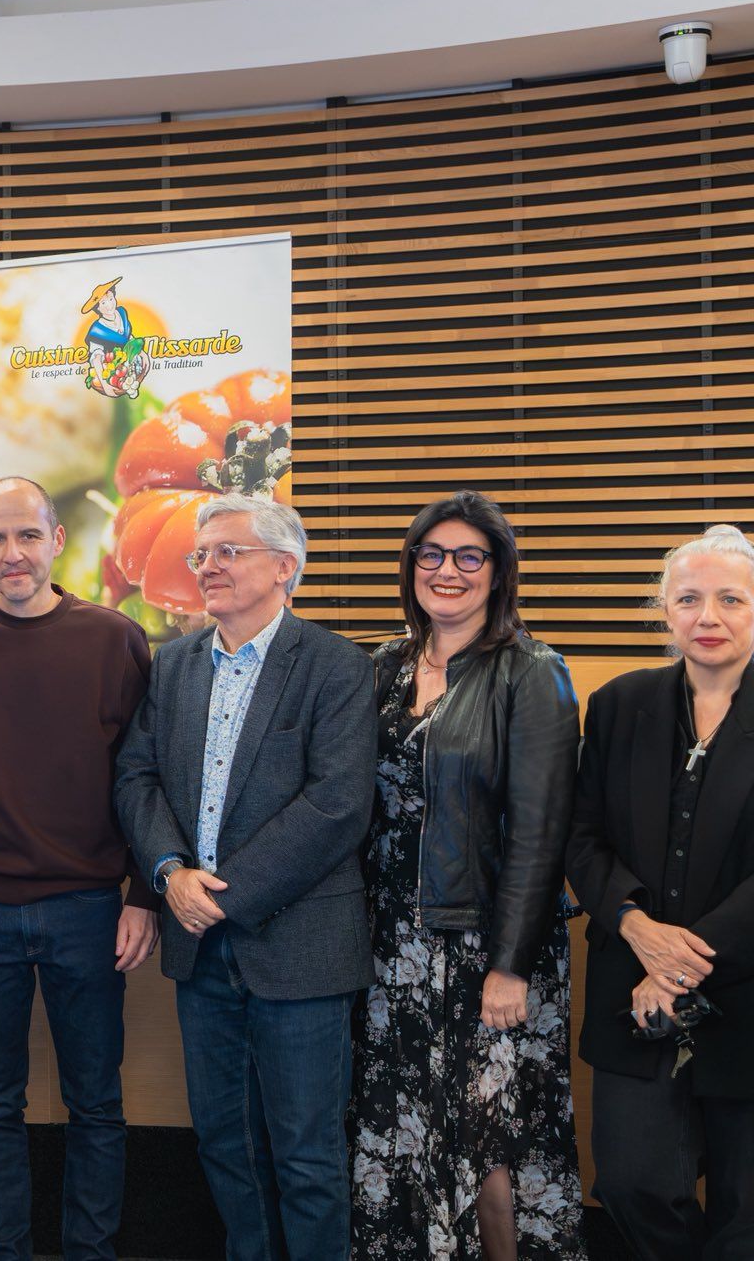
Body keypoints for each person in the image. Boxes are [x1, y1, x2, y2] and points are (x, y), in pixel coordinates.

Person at [113, 494, 375, 1261]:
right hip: (200, 951)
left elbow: (336, 805)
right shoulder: (174, 664)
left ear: (285, 567)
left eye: (227, 551)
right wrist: (169, 873)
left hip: (300, 950)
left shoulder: (336, 665)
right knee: (225, 1144)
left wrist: (222, 896)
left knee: (307, 1156)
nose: (207, 567)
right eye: (201, 554)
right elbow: (136, 778)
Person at [350, 492, 584, 1259]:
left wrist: (509, 966)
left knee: (489, 1137)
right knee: (405, 1128)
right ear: (410, 565)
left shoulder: (532, 671)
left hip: (487, 944)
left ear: (498, 571)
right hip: (391, 942)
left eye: (468, 556)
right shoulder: (383, 666)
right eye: (432, 554)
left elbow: (542, 833)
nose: (447, 570)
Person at [0, 477, 155, 1261]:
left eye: (27, 535)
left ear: (57, 541)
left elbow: (146, 775)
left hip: (88, 909)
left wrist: (143, 894)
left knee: (96, 1101)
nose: (13, 553)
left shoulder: (113, 638)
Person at [567, 523, 754, 1259]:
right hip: (631, 986)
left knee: (747, 1216)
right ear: (665, 611)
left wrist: (679, 964)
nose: (708, 617)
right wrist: (633, 924)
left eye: (731, 599)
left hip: (744, 988)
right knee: (630, 1182)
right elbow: (581, 835)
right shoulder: (619, 704)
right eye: (688, 599)